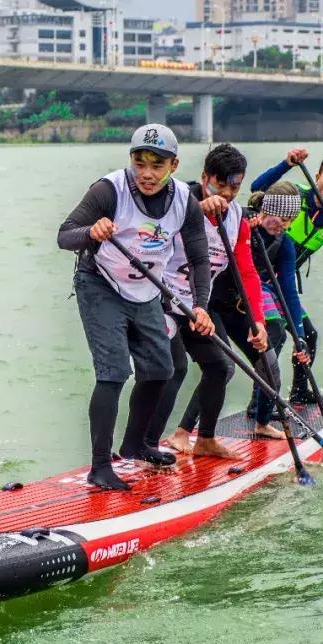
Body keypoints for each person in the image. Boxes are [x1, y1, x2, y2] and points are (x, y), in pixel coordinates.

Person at [57, 124, 215, 491]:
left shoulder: (184, 203)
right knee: (113, 372)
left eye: (156, 165)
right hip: (100, 284)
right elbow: (65, 235)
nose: (146, 173)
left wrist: (202, 307)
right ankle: (100, 465)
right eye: (139, 162)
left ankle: (137, 444)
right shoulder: (107, 190)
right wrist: (90, 232)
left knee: (161, 369)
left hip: (145, 290)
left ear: (174, 165)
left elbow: (199, 257)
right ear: (130, 159)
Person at [145, 144, 269, 458]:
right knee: (174, 369)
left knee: (220, 367)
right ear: (204, 178)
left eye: (235, 187)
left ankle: (205, 440)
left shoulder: (237, 217)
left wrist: (258, 320)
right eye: (220, 184)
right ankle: (145, 447)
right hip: (159, 300)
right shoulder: (176, 200)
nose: (227, 193)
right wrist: (196, 205)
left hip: (196, 305)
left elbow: (247, 271)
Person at [249, 150, 323, 405]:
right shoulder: (293, 196)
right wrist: (287, 164)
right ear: (318, 176)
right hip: (259, 278)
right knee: (276, 334)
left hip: (283, 283)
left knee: (308, 335)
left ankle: (300, 391)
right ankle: (259, 403)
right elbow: (257, 187)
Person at [243, 181, 311, 437]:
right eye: (280, 218)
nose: (284, 225)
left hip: (257, 290)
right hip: (225, 290)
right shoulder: (244, 221)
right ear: (266, 209)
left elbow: (289, 291)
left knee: (278, 335)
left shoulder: (285, 244)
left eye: (289, 219)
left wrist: (299, 336)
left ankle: (261, 418)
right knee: (220, 367)